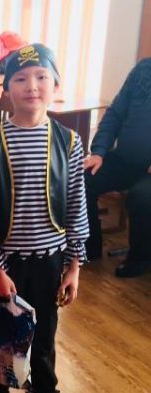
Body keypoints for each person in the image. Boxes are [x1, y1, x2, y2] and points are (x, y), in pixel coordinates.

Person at [0, 44, 89, 393]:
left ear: (55, 85)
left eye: (41, 77)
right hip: (7, 264)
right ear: (7, 90)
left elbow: (76, 204)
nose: (32, 86)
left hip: (49, 261)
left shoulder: (69, 142)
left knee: (43, 337)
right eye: (20, 79)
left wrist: (73, 265)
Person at [84, 57, 151, 278]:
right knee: (82, 178)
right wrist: (99, 152)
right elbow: (115, 113)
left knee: (142, 197)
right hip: (125, 159)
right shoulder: (143, 69)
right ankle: (89, 248)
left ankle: (140, 258)